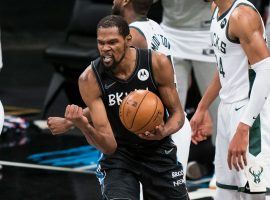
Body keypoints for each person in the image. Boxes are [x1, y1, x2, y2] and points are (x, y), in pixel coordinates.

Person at [48, 0, 193, 177]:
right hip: (173, 125)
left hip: (153, 129)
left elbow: (115, 96)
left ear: (124, 1)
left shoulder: (131, 36)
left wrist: (70, 122)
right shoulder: (155, 27)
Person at [191, 0, 270, 199]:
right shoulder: (216, 8)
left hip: (251, 113)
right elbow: (225, 68)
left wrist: (244, 128)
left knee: (254, 193)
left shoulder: (242, 16)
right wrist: (202, 108)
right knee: (226, 192)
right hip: (227, 109)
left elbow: (266, 72)